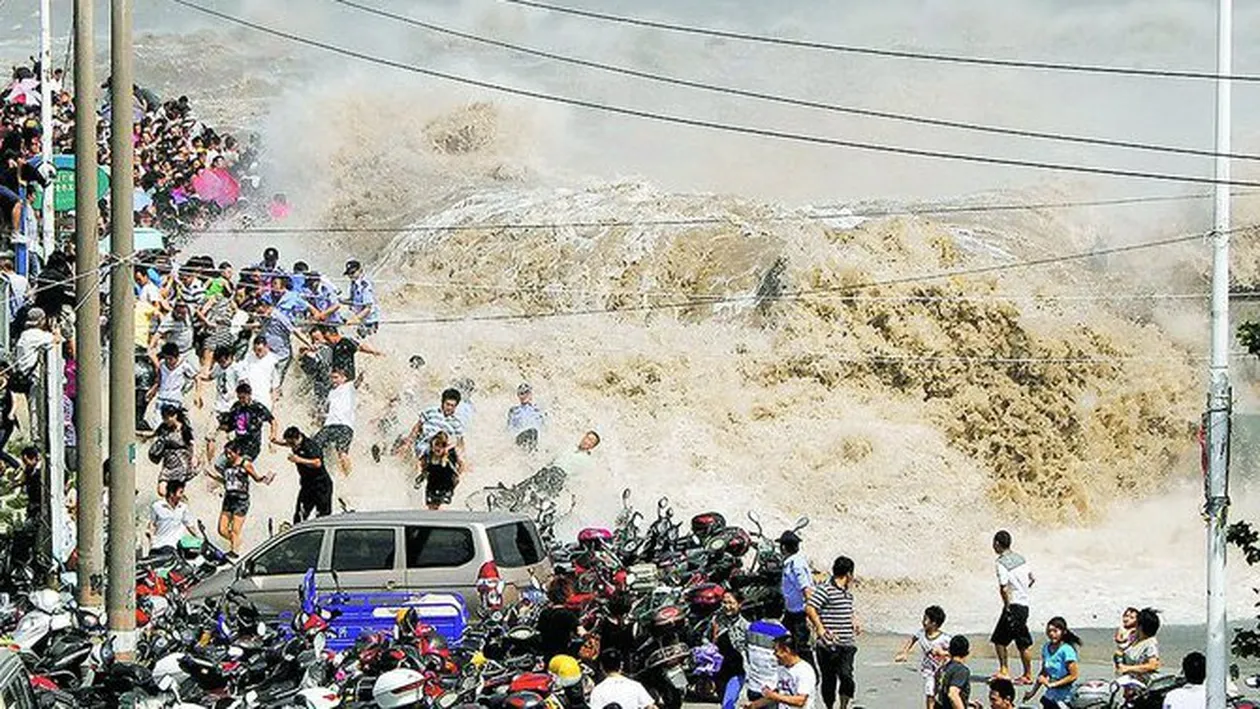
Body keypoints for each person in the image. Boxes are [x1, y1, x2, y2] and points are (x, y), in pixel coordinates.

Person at [807, 555, 859, 709]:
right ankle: (829, 706)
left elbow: (846, 609)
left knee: (846, 676)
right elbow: (810, 607)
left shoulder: (847, 593)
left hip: (847, 644)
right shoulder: (825, 589)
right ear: (849, 574)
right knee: (829, 680)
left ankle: (843, 706)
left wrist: (854, 618)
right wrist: (820, 628)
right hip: (827, 645)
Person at [207, 439, 273, 557]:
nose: (227, 456)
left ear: (237, 452)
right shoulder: (227, 465)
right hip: (228, 499)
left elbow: (256, 478)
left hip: (241, 500)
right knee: (222, 530)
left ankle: (235, 551)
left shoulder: (245, 464)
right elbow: (227, 481)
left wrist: (265, 478)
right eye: (226, 453)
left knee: (236, 530)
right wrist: (213, 476)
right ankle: (237, 542)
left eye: (230, 453)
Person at [990, 530, 1035, 684]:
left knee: (999, 640)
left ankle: (1005, 671)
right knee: (1022, 642)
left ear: (997, 543)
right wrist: (1023, 591)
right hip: (1024, 605)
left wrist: (1007, 605)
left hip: (1013, 605)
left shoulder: (1001, 562)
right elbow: (1032, 579)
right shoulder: (1020, 558)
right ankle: (1027, 674)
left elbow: (1003, 587)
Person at [894, 606, 951, 709]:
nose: (923, 621)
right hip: (929, 670)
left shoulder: (945, 638)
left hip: (943, 670)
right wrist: (905, 652)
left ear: (934, 623)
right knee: (930, 692)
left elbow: (955, 652)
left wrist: (942, 653)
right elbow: (913, 639)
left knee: (942, 694)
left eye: (925, 619)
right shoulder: (921, 633)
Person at [275, 426, 333, 523]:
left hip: (321, 486)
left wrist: (298, 460)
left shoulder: (310, 446)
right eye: (289, 443)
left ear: (298, 438)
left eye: (292, 443)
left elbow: (317, 463)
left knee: (322, 517)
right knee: (300, 515)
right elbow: (287, 443)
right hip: (307, 486)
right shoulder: (296, 443)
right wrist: (276, 442)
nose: (291, 446)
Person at [747, 635, 817, 709]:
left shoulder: (804, 670)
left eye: (776, 650)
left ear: (786, 650)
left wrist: (774, 696)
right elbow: (775, 694)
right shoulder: (781, 669)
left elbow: (801, 701)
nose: (774, 654)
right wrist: (753, 705)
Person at [1024, 617, 1081, 709]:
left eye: (1055, 631)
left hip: (1065, 698)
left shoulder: (1067, 650)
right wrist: (1032, 693)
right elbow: (1043, 673)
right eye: (1049, 631)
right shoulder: (1046, 647)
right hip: (1050, 696)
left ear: (1063, 632)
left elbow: (1073, 676)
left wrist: (1051, 684)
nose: (1051, 634)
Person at [778, 530, 814, 665]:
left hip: (799, 612)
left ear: (783, 547)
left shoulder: (796, 564)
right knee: (784, 639)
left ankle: (812, 675)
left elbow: (805, 588)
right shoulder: (792, 562)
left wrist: (811, 612)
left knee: (802, 645)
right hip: (791, 611)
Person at [712, 590, 750, 709]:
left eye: (731, 603)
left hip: (738, 670)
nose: (727, 607)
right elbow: (709, 641)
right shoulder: (717, 620)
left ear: (739, 604)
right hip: (720, 671)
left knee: (727, 705)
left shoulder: (746, 625)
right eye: (724, 602)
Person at [222, 381, 277, 463]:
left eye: (243, 398)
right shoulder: (236, 406)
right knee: (219, 465)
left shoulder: (258, 408)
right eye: (239, 398)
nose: (241, 401)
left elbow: (273, 421)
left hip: (251, 446)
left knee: (239, 468)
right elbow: (230, 424)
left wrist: (272, 437)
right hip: (237, 443)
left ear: (249, 395)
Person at [404, 388, 467, 458]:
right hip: (425, 446)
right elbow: (417, 427)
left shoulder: (456, 422)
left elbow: (460, 442)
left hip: (443, 449)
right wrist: (408, 443)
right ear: (442, 402)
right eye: (447, 404)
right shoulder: (430, 412)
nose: (449, 408)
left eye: (452, 406)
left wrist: (461, 456)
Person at [152, 404, 199, 497]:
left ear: (175, 416)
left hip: (181, 463)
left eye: (167, 417)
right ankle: (178, 502)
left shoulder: (184, 429)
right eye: (163, 418)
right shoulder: (164, 427)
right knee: (161, 491)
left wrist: (194, 457)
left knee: (174, 492)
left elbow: (191, 444)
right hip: (168, 462)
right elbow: (153, 434)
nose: (165, 420)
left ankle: (178, 505)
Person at [315, 368, 355, 475]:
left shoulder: (349, 387)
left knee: (342, 453)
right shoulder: (331, 393)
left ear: (344, 378)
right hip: (329, 426)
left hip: (345, 426)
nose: (333, 380)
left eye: (336, 377)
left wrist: (364, 371)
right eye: (332, 378)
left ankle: (348, 477)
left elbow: (359, 380)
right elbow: (326, 410)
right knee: (313, 447)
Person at [589, 649, 656, 709]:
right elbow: (651, 707)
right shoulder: (635, 686)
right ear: (621, 665)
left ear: (601, 667)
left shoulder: (597, 691)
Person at [537, 578, 584, 663]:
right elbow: (581, 632)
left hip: (548, 658)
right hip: (563, 657)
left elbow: (540, 633)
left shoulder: (544, 613)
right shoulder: (568, 615)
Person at [145, 479, 196, 556]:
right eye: (180, 492)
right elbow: (152, 524)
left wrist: (200, 538)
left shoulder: (183, 507)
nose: (182, 495)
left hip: (174, 547)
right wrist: (151, 539)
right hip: (158, 546)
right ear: (172, 493)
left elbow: (189, 525)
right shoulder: (157, 506)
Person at [416, 430, 465, 510]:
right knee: (431, 510)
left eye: (443, 445)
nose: (439, 448)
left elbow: (462, 465)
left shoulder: (450, 455)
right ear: (432, 446)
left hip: (447, 488)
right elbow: (423, 469)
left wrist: (457, 476)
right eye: (437, 444)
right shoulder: (428, 456)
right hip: (432, 487)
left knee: (442, 509)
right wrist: (421, 477)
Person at [148, 342, 202, 413]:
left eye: (170, 359)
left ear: (176, 357)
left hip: (175, 399)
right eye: (166, 358)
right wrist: (152, 390)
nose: (168, 361)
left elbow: (197, 378)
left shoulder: (183, 365)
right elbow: (159, 380)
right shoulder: (162, 364)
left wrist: (197, 394)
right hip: (161, 397)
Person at [1116, 608, 1162, 685]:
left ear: (1140, 626)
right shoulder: (1135, 638)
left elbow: (1153, 665)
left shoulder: (1150, 643)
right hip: (1130, 681)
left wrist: (1127, 668)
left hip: (1144, 684)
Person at [238, 335, 280, 409]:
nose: (258, 353)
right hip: (249, 398)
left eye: (260, 350)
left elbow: (275, 385)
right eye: (255, 350)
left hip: (264, 399)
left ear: (266, 346)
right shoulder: (249, 357)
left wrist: (273, 404)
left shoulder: (273, 361)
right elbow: (241, 371)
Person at [343, 259, 380, 339]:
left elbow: (368, 308)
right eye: (348, 274)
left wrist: (354, 320)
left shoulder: (364, 285)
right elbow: (353, 301)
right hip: (361, 320)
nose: (350, 276)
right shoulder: (354, 284)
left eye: (352, 273)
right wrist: (340, 301)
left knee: (367, 343)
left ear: (360, 270)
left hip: (369, 321)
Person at [935, 635, 972, 709]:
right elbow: (952, 694)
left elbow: (940, 691)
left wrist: (967, 702)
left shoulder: (943, 668)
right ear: (967, 652)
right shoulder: (961, 670)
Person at [507, 382, 544, 451]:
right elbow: (509, 428)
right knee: (531, 432)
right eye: (521, 393)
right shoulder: (514, 410)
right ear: (518, 396)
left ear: (530, 394)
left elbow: (544, 427)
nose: (524, 395)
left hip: (535, 437)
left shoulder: (538, 410)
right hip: (521, 437)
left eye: (526, 392)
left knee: (533, 432)